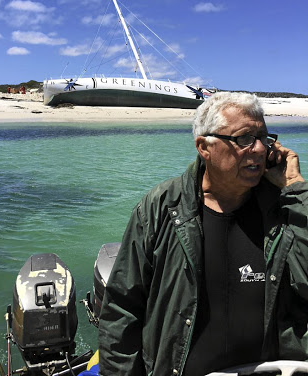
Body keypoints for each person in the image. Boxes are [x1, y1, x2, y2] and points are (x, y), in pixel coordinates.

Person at [98, 92, 307, 376]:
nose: (259, 149)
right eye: (244, 138)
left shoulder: (283, 207)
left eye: (264, 138)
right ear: (204, 147)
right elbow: (123, 308)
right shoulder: (160, 207)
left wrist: (295, 188)